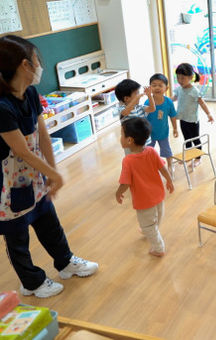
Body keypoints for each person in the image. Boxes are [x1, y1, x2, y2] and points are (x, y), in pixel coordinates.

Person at [0, 35, 98, 298]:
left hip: (35, 174)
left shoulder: (31, 93)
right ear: (25, 65)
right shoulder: (1, 106)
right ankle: (31, 283)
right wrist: (52, 174)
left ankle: (65, 262)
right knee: (17, 238)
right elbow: (19, 149)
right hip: (8, 185)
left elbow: (43, 136)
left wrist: (51, 173)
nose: (40, 66)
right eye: (36, 61)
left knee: (49, 223)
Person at [116, 117, 174, 257]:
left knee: (147, 225)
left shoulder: (128, 160)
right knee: (157, 216)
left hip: (144, 200)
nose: (120, 138)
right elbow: (163, 168)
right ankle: (152, 228)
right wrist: (169, 180)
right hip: (158, 195)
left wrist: (118, 193)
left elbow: (125, 183)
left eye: (122, 134)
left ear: (129, 140)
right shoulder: (151, 151)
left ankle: (158, 248)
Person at [172, 63, 213, 167]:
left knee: (195, 139)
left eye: (183, 78)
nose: (180, 81)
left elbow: (202, 103)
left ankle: (198, 158)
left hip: (192, 120)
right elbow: (174, 98)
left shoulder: (194, 91)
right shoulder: (179, 89)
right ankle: (188, 156)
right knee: (186, 139)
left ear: (190, 77)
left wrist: (209, 114)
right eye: (178, 78)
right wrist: (165, 101)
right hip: (182, 119)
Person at [144, 73, 178, 170]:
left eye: (160, 85)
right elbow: (143, 118)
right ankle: (148, 167)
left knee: (166, 149)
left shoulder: (168, 102)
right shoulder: (147, 102)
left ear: (166, 88)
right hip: (149, 134)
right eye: (154, 85)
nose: (157, 88)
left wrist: (175, 128)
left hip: (163, 132)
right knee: (148, 151)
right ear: (150, 88)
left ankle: (170, 164)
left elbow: (173, 116)